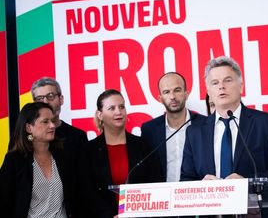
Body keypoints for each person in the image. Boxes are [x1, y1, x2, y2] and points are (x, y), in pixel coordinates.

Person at [181, 56, 268, 217]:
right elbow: (185, 181)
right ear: (208, 92)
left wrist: (247, 184)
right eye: (215, 83)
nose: (221, 87)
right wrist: (201, 187)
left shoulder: (265, 123)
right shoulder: (195, 132)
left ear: (241, 86)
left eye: (227, 80)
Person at [78, 89, 163, 218]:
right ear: (100, 115)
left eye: (121, 107)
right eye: (111, 108)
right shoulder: (88, 150)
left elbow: (155, 183)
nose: (118, 112)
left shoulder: (143, 146)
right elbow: (86, 191)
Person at [0, 102, 75, 217]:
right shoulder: (15, 160)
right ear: (29, 128)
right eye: (45, 122)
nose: (52, 126)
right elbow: (4, 202)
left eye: (53, 121)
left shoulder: (63, 155)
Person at [140, 72, 205, 182]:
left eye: (177, 90)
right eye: (166, 92)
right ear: (160, 98)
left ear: (186, 94)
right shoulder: (149, 130)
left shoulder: (205, 124)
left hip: (197, 194)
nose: (172, 97)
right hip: (162, 195)